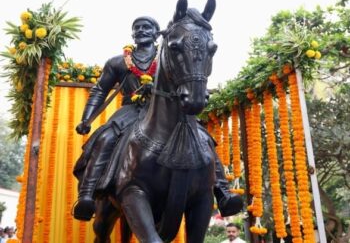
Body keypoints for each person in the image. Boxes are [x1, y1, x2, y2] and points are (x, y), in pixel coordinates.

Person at [72, 15, 243, 221]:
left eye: (147, 27)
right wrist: (86, 118)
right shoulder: (118, 62)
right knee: (106, 138)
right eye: (137, 28)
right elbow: (100, 90)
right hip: (131, 110)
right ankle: (87, 196)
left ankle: (223, 192)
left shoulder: (167, 55)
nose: (142, 30)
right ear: (132, 34)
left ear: (156, 33)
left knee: (203, 138)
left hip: (167, 110)